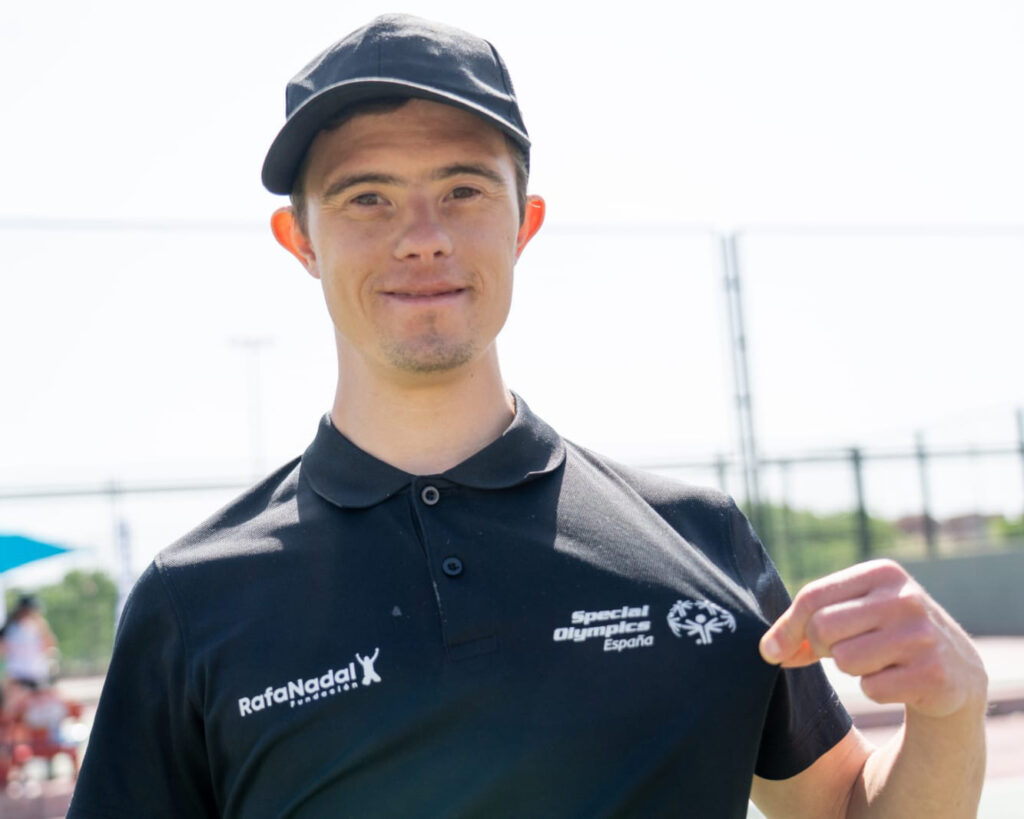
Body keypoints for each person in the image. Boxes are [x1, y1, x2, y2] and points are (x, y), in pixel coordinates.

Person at [68, 14, 987, 818]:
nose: (422, 235)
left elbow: (844, 811)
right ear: (299, 238)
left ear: (525, 223)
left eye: (463, 190)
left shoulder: (704, 542)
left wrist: (950, 713)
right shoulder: (192, 603)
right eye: (367, 197)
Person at [1, 594, 57, 717]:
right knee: (12, 713)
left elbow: (50, 647)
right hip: (17, 678)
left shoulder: (39, 627)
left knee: (46, 711)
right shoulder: (9, 628)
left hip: (38, 677)